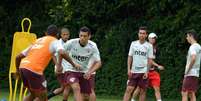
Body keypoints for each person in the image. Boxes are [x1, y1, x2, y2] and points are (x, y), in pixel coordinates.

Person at [15, 25, 77, 101]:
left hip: (23, 67)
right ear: (57, 34)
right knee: (43, 98)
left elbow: (18, 57)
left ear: (45, 33)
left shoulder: (38, 40)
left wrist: (17, 71)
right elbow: (62, 52)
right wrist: (74, 64)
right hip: (34, 70)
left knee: (33, 94)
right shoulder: (54, 41)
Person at [60, 26, 102, 101]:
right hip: (71, 70)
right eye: (81, 35)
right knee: (76, 87)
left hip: (84, 72)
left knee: (86, 96)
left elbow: (99, 62)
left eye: (85, 36)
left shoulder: (93, 46)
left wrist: (90, 72)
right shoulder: (72, 42)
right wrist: (60, 65)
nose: (82, 38)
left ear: (89, 36)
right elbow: (61, 52)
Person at [123, 26, 154, 101]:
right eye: (140, 33)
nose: (142, 35)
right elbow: (130, 57)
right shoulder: (133, 44)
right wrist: (128, 69)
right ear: (138, 34)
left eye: (143, 33)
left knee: (142, 92)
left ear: (146, 35)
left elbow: (150, 60)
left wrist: (147, 71)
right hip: (134, 71)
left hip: (143, 72)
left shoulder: (149, 46)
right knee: (128, 90)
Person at [131, 33, 164, 101]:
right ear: (148, 39)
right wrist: (158, 66)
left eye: (154, 38)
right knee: (139, 89)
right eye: (152, 38)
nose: (153, 39)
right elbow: (149, 60)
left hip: (153, 72)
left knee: (157, 88)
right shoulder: (145, 47)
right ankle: (132, 100)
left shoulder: (154, 48)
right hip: (145, 72)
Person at [48, 27, 71, 101]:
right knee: (67, 87)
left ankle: (46, 98)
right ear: (60, 35)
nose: (65, 36)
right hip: (61, 69)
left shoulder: (70, 43)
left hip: (68, 68)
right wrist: (58, 65)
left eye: (67, 34)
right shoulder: (57, 43)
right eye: (64, 34)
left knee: (62, 88)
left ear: (69, 35)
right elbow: (52, 55)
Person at [181, 30, 201, 101]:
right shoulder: (199, 46)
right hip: (196, 73)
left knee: (184, 92)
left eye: (187, 36)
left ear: (191, 36)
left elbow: (193, 58)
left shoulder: (192, 47)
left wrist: (188, 70)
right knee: (191, 93)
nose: (186, 38)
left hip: (190, 73)